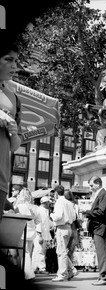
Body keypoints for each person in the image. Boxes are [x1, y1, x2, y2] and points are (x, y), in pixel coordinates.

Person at [0, 40, 22, 223]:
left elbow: (15, 145)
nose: (14, 66)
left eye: (15, 61)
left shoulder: (13, 97)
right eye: (9, 60)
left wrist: (14, 133)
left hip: (1, 181)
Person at [85, 176, 106, 286]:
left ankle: (105, 277)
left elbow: (101, 212)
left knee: (103, 253)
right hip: (98, 228)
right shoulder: (101, 194)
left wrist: (87, 212)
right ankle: (102, 276)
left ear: (98, 184)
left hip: (101, 228)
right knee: (101, 253)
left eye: (92, 185)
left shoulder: (104, 194)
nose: (91, 188)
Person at [50, 185, 76, 282]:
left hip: (61, 227)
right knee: (62, 251)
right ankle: (71, 270)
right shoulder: (69, 203)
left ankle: (62, 274)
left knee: (61, 252)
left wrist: (51, 215)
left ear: (56, 193)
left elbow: (58, 216)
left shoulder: (59, 202)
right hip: (69, 227)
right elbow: (74, 217)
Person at [14, 188, 40, 280]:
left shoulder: (19, 206)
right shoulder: (35, 207)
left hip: (21, 231)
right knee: (28, 252)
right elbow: (38, 221)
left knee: (24, 254)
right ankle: (26, 273)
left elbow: (13, 217)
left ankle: (28, 274)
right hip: (31, 233)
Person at [32, 196, 53, 275]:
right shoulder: (40, 210)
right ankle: (40, 268)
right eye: (48, 202)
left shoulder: (45, 210)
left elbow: (47, 222)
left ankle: (35, 268)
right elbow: (38, 223)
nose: (49, 204)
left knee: (39, 251)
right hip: (40, 234)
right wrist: (40, 235)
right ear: (45, 203)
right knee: (39, 251)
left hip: (43, 234)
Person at [64, 189, 80, 280]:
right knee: (70, 251)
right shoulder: (75, 205)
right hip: (74, 229)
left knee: (63, 251)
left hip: (66, 227)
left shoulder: (64, 204)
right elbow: (76, 217)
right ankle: (69, 272)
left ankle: (70, 270)